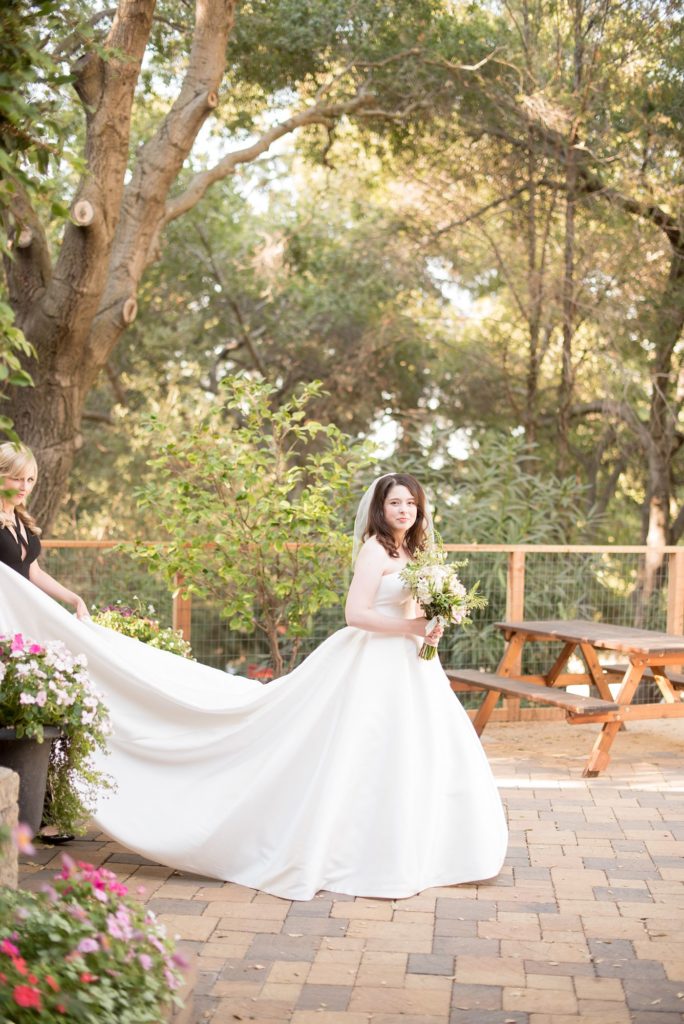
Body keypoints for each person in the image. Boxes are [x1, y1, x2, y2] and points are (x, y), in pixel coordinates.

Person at [0, 467, 507, 900]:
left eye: (411, 503)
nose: (404, 510)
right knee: (355, 750)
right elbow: (356, 615)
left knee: (412, 751)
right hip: (371, 661)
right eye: (395, 502)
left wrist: (430, 621)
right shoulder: (375, 549)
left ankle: (417, 843)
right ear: (380, 508)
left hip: (410, 664)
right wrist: (411, 626)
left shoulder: (410, 553)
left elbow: (407, 607)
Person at [0, 442, 89, 619]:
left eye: (30, 480)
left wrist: (75, 599)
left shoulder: (21, 520)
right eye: (17, 478)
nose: (24, 487)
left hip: (24, 612)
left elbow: (34, 573)